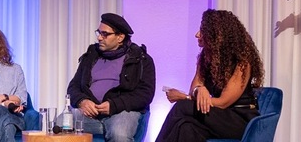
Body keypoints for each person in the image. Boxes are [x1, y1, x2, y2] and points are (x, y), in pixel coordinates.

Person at [155, 9, 264, 142]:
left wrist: (185, 97)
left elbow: (223, 103)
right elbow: (194, 87)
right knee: (186, 128)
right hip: (216, 116)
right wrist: (199, 90)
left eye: (202, 31)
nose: (197, 34)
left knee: (182, 106)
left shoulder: (242, 63)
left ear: (216, 35)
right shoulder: (206, 57)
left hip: (239, 119)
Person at [67, 13, 155, 142]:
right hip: (91, 113)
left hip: (122, 112)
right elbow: (73, 86)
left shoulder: (140, 59)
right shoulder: (91, 55)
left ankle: (109, 128)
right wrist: (82, 101)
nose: (99, 38)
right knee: (62, 122)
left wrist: (114, 105)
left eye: (105, 34)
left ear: (120, 37)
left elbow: (145, 94)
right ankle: (103, 127)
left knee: (119, 134)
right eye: (99, 33)